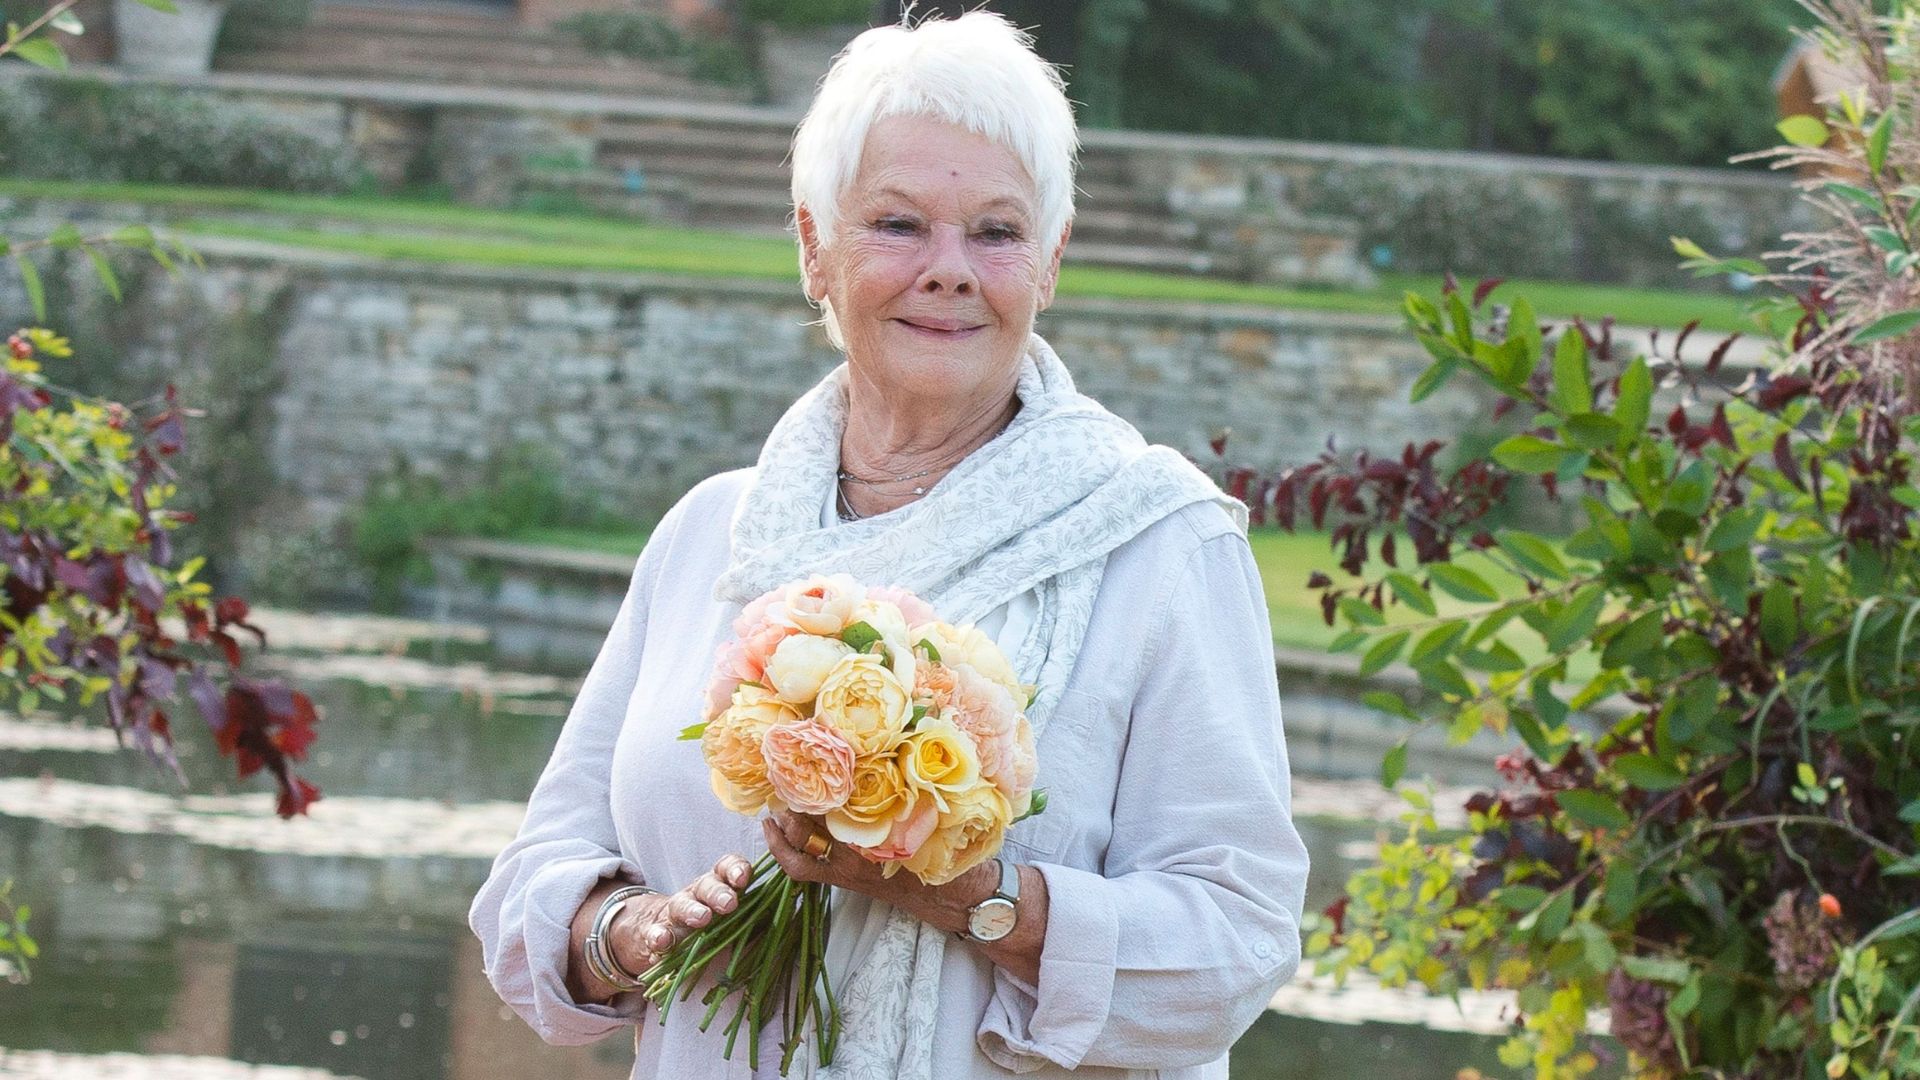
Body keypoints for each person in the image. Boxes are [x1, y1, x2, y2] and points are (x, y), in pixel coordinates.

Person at [468, 12, 1309, 1079]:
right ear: (815, 248)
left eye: (997, 233)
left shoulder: (1159, 546)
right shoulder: (708, 535)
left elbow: (1236, 943)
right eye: (899, 225)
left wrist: (985, 902)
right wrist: (630, 934)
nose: (951, 269)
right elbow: (534, 882)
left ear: (1048, 263)